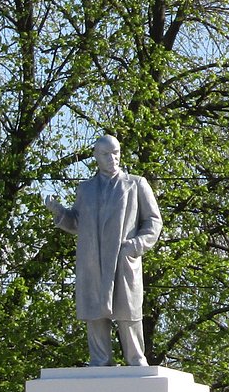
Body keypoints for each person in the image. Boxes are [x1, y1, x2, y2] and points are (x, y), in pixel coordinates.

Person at [44, 134, 162, 367]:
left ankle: (136, 360)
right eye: (106, 154)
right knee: (95, 312)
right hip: (93, 260)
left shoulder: (136, 183)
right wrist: (58, 212)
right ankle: (100, 360)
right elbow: (76, 222)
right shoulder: (86, 189)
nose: (113, 158)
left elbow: (153, 221)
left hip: (122, 258)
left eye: (116, 152)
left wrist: (135, 246)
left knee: (128, 312)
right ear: (96, 157)